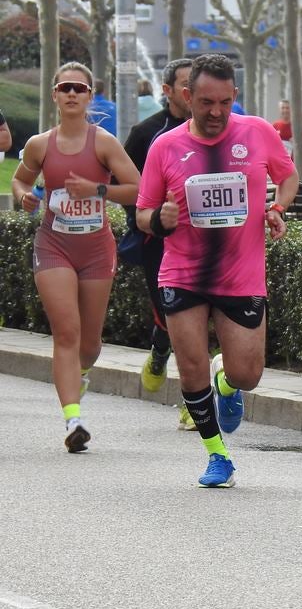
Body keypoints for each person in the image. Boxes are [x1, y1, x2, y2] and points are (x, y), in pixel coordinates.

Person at [136, 53, 298, 488]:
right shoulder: (165, 146)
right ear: (188, 97)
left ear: (234, 97)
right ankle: (217, 455)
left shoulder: (258, 132)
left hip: (239, 274)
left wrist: (277, 207)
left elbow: (288, 175)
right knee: (191, 368)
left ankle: (228, 385)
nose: (216, 112)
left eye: (225, 102)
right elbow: (142, 212)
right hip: (182, 272)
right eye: (206, 102)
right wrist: (159, 219)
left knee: (249, 374)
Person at [9, 62, 140, 452]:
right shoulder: (39, 144)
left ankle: (78, 374)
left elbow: (136, 188)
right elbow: (20, 179)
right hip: (54, 246)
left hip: (96, 249)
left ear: (88, 96)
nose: (71, 94)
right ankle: (73, 420)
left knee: (90, 343)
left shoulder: (103, 142)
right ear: (54, 94)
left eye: (78, 89)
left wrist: (96, 190)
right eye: (64, 87)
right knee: (66, 332)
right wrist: (24, 196)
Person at [123, 58, 194, 423]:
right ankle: (160, 348)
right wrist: (152, 219)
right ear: (167, 91)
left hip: (206, 241)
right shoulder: (145, 133)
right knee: (172, 317)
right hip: (159, 241)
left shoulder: (219, 130)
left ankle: (192, 400)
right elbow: (128, 190)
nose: (191, 92)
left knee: (199, 318)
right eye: (184, 85)